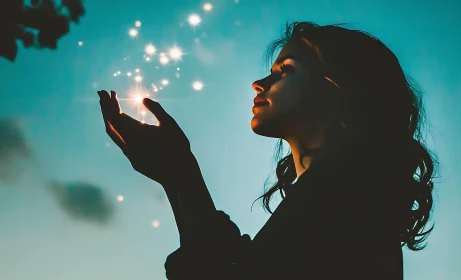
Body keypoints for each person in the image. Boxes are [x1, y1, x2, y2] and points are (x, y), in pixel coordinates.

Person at [97, 21, 438, 279]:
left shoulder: (343, 201)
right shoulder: (341, 195)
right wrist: (177, 173)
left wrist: (180, 172)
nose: (259, 84)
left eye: (285, 71)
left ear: (338, 89)